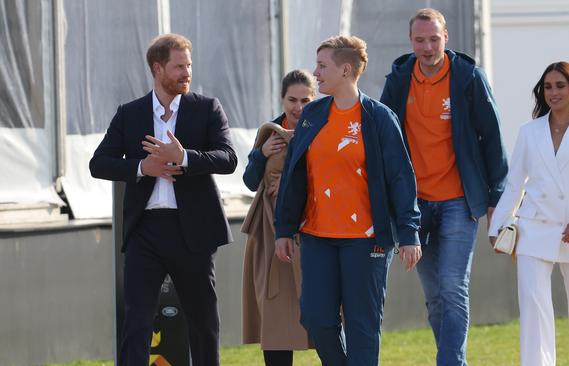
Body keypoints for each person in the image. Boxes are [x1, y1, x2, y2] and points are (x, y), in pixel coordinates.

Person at [89, 33, 237, 366]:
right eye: (179, 66)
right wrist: (144, 166)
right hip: (146, 232)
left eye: (189, 66)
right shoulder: (130, 114)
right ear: (158, 68)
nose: (187, 73)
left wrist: (184, 158)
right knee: (137, 320)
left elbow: (228, 158)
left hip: (194, 232)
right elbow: (98, 163)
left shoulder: (206, 108)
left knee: (204, 322)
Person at [274, 36, 422, 366]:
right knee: (316, 319)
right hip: (316, 237)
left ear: (345, 69)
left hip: (366, 241)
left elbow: (401, 177)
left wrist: (410, 233)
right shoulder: (312, 115)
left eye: (322, 66)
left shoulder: (379, 117)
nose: (315, 73)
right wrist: (283, 228)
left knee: (362, 328)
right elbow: (293, 175)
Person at [379, 8, 508, 365]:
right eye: (420, 40)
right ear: (411, 41)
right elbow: (384, 142)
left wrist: (496, 196)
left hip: (458, 203)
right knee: (435, 296)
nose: (427, 46)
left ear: (446, 37)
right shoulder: (399, 78)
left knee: (453, 288)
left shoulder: (468, 77)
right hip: (414, 207)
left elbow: (493, 139)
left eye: (434, 39)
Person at [489, 61, 569, 366]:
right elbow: (515, 182)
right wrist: (499, 226)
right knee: (533, 308)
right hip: (534, 227)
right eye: (547, 87)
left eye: (560, 86)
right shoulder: (529, 131)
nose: (553, 92)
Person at [241, 70, 316, 366]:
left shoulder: (323, 128)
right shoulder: (270, 132)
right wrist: (261, 153)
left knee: (324, 318)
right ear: (282, 99)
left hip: (312, 230)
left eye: (305, 100)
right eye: (292, 100)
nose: (298, 107)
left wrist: (287, 182)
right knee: (274, 316)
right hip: (271, 234)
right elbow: (249, 181)